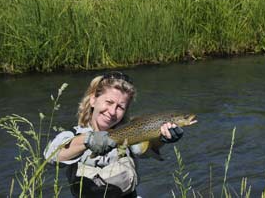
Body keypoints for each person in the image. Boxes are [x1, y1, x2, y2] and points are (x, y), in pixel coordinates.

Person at [44, 71, 184, 198]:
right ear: (93, 100)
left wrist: (162, 139)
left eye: (120, 107)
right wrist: (88, 140)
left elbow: (145, 151)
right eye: (109, 102)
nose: (112, 112)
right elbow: (52, 156)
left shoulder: (130, 133)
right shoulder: (73, 134)